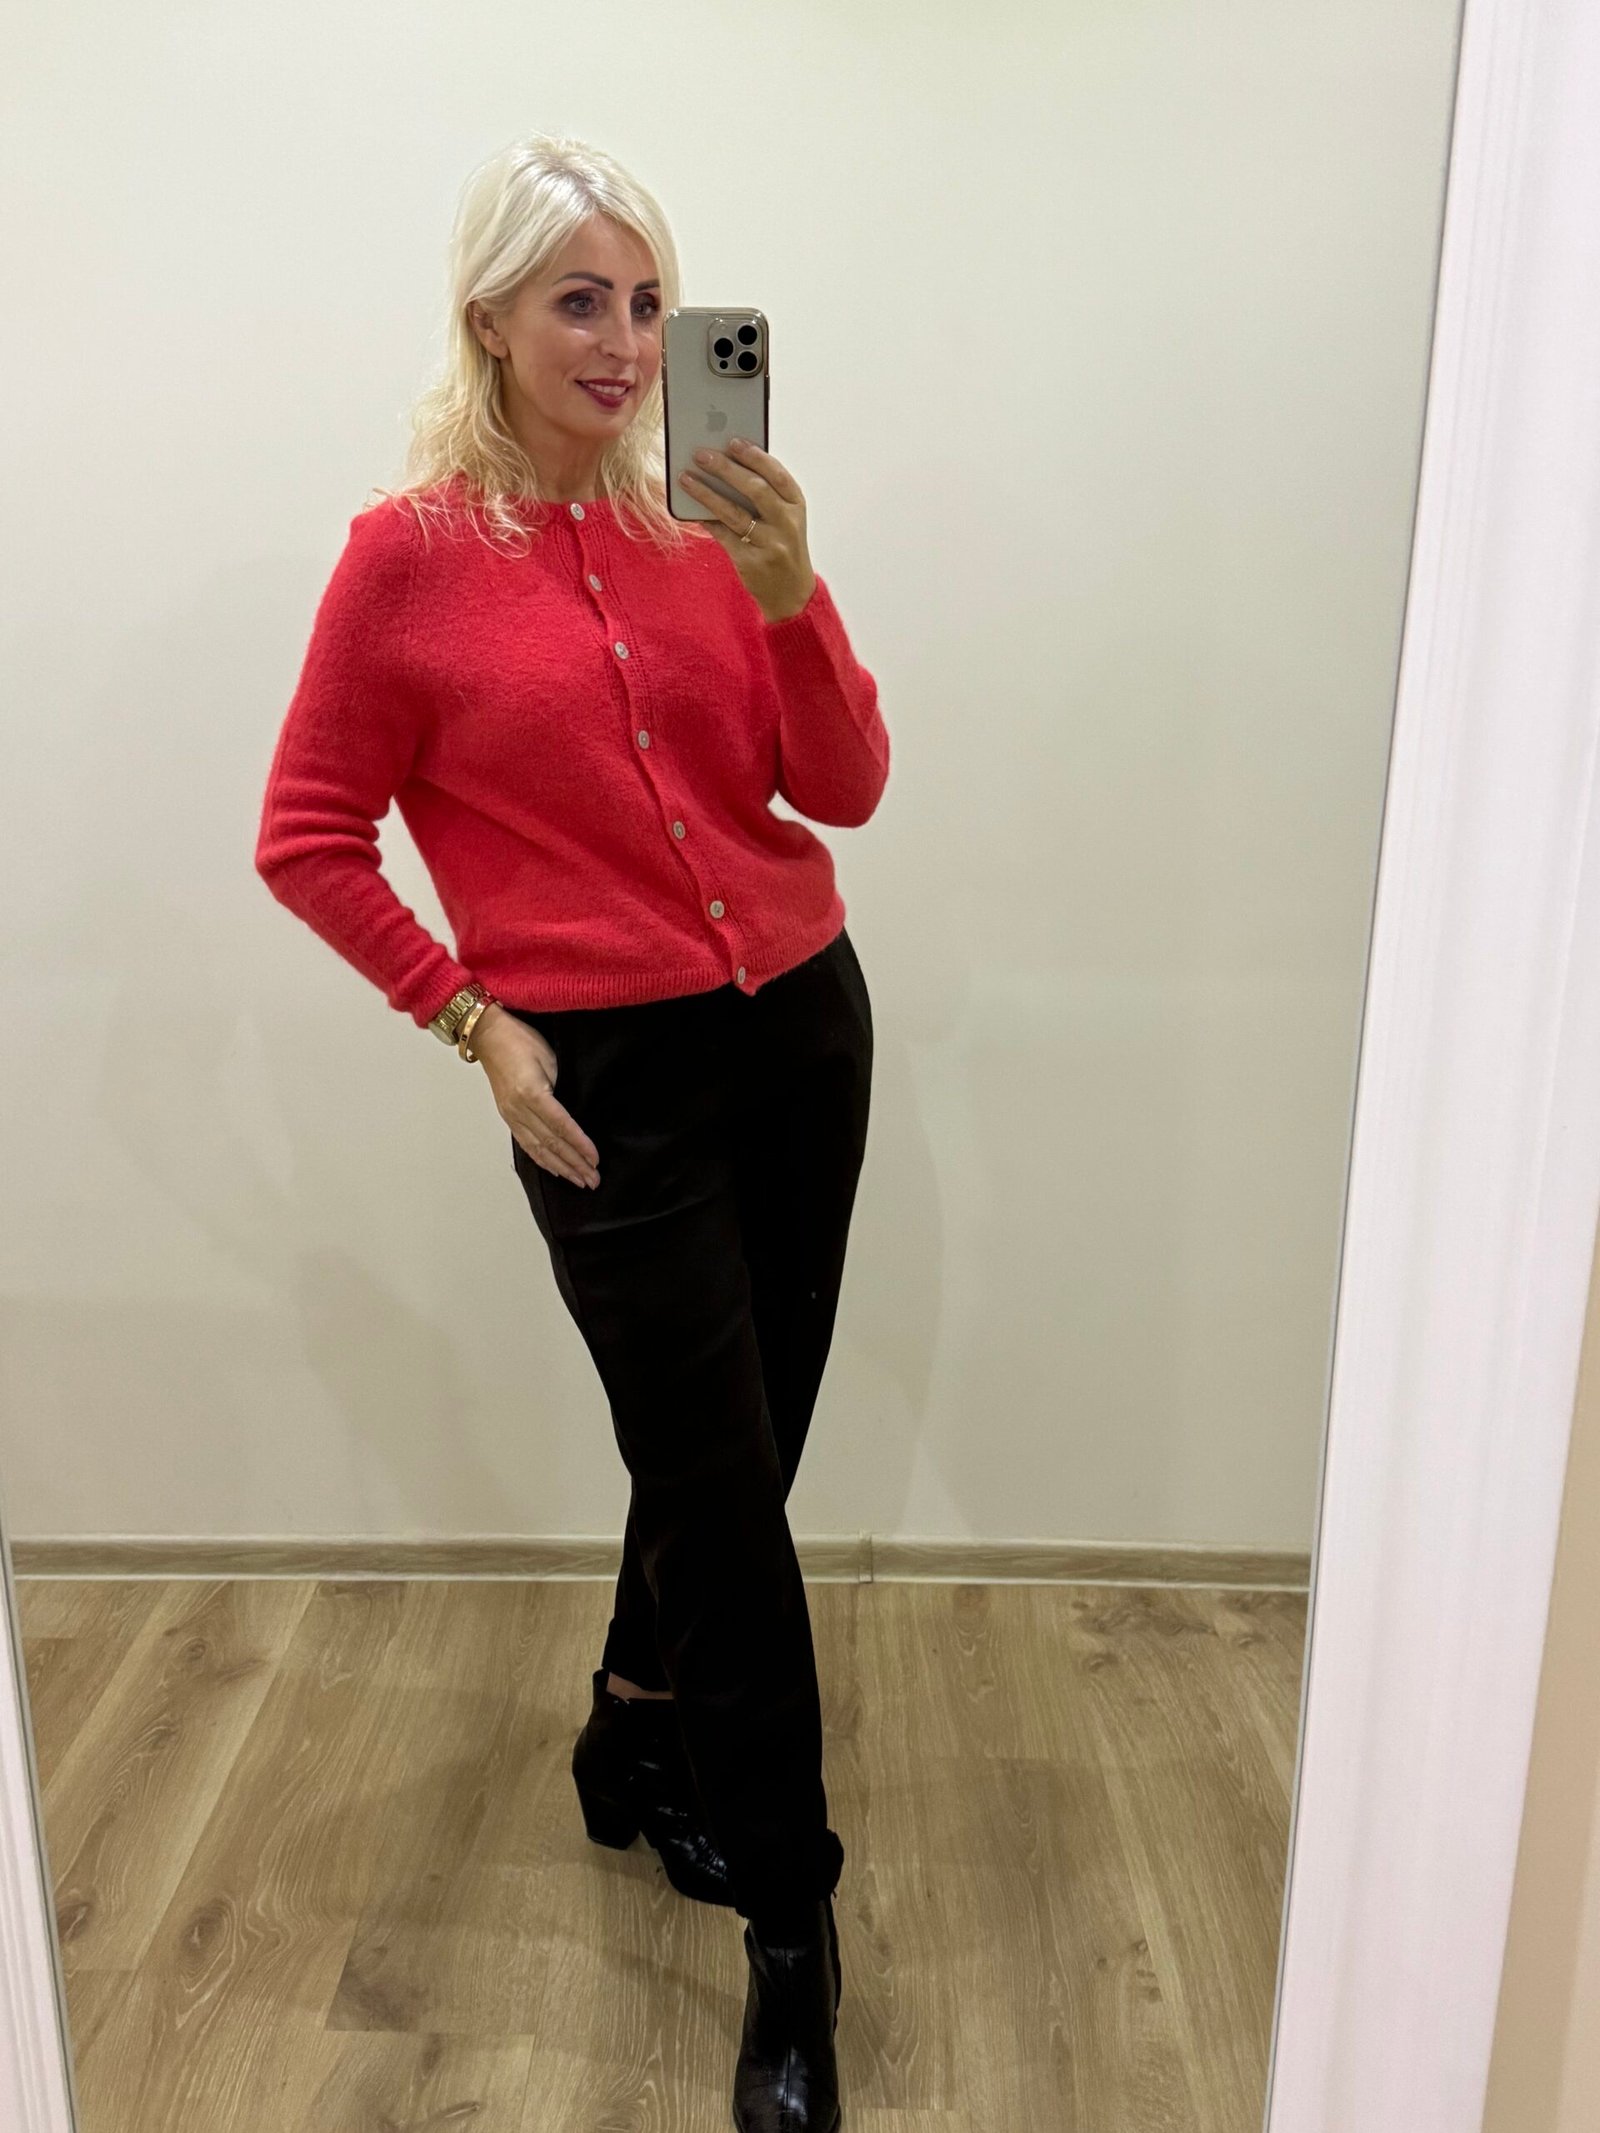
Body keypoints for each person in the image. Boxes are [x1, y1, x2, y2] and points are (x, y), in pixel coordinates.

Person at [253, 131, 889, 2133]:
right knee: (723, 1497)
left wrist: (793, 597)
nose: (622, 341)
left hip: (802, 1028)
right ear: (491, 320)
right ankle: (790, 1936)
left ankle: (632, 1724)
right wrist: (469, 1019)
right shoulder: (405, 559)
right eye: (578, 302)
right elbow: (305, 833)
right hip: (607, 1087)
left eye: (647, 301)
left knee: (742, 1447)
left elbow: (844, 786)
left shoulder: (712, 524)